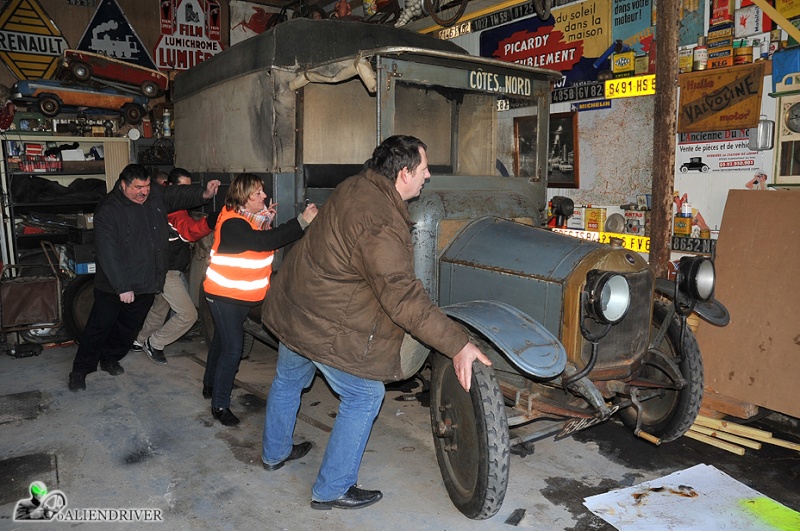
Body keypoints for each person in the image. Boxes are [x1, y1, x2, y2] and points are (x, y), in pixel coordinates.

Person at [260, 135, 491, 510]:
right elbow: (401, 295)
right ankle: (332, 488)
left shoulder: (355, 184)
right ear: (403, 174)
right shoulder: (381, 219)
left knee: (288, 379)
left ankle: (274, 453)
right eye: (423, 170)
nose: (427, 176)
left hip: (296, 305)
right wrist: (457, 343)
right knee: (365, 396)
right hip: (322, 317)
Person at [68, 164, 220, 391]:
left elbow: (175, 194)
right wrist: (122, 287)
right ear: (123, 185)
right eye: (138, 187)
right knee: (99, 326)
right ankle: (80, 370)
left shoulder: (154, 195)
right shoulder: (109, 210)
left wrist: (204, 194)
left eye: (147, 186)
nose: (144, 192)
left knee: (129, 327)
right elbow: (108, 252)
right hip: (114, 284)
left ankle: (110, 357)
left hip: (147, 279)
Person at [202, 173, 318, 426]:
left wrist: (265, 220)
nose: (264, 197)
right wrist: (301, 221)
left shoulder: (246, 218)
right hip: (224, 295)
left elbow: (257, 236)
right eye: (258, 194)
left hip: (241, 295)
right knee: (233, 348)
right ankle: (219, 405)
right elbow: (263, 242)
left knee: (222, 342)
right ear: (243, 199)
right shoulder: (234, 223)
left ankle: (210, 385)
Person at [134, 168, 218, 364]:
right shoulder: (173, 209)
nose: (186, 193)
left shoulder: (157, 202)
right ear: (170, 188)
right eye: (182, 188)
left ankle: (139, 341)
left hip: (161, 267)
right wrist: (212, 220)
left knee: (160, 306)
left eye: (189, 188)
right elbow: (190, 232)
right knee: (188, 314)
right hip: (166, 270)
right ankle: (155, 343)